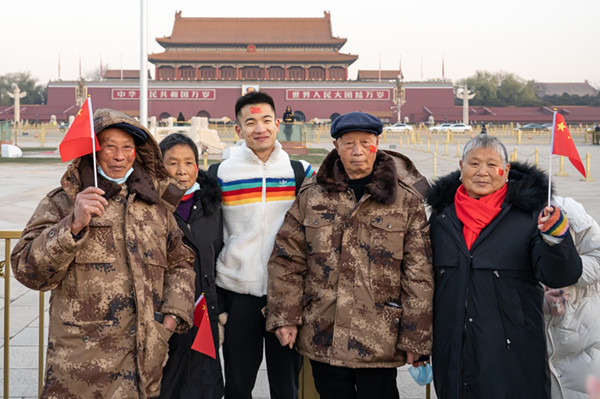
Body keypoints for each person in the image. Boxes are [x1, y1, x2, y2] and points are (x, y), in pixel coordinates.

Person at [10, 108, 196, 398]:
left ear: (138, 153)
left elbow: (181, 263)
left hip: (140, 368)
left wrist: (170, 320)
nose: (119, 156)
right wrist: (72, 225)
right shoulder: (65, 201)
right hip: (78, 370)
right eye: (110, 147)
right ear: (95, 150)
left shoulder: (154, 206)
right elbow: (26, 269)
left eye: (127, 148)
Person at [266, 111, 434, 399]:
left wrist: (416, 336)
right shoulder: (312, 196)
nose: (357, 151)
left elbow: (419, 273)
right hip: (324, 331)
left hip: (379, 336)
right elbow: (287, 259)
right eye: (348, 143)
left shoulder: (405, 200)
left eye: (365, 143)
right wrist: (285, 317)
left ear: (377, 143)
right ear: (336, 146)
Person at [426, 133, 582, 398]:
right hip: (453, 352)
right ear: (461, 166)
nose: (482, 172)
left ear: (506, 170)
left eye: (492, 164)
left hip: (512, 354)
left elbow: (558, 276)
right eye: (474, 164)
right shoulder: (442, 219)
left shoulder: (531, 216)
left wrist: (557, 241)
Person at [213, 91, 314, 399]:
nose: (260, 128)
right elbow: (210, 236)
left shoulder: (300, 172)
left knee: (286, 387)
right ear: (238, 129)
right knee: (238, 385)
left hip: (286, 295)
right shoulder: (220, 175)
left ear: (278, 123)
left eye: (267, 120)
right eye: (251, 122)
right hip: (238, 293)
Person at [157, 133, 224, 398]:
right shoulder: (150, 207)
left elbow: (220, 253)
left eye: (189, 162)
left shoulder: (212, 205)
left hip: (204, 309)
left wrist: (222, 307)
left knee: (203, 383)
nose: (182, 171)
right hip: (166, 310)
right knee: (166, 381)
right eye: (172, 163)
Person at [543, 196, 600, 399]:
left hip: (580, 337)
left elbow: (597, 256)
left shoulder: (566, 209)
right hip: (531, 345)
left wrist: (568, 273)